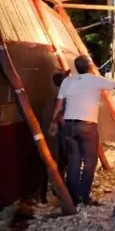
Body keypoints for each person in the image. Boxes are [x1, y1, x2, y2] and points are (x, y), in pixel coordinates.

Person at [53, 55, 115, 205]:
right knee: (89, 162)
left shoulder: (68, 81)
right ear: (89, 66)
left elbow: (58, 104)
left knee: (74, 161)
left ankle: (74, 197)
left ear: (76, 67)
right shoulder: (95, 79)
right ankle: (84, 195)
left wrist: (53, 121)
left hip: (69, 125)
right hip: (88, 125)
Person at [40, 71, 68, 205]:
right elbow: (59, 117)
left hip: (52, 135)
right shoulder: (60, 97)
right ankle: (55, 191)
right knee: (58, 162)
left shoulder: (56, 95)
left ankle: (50, 191)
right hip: (56, 136)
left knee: (57, 162)